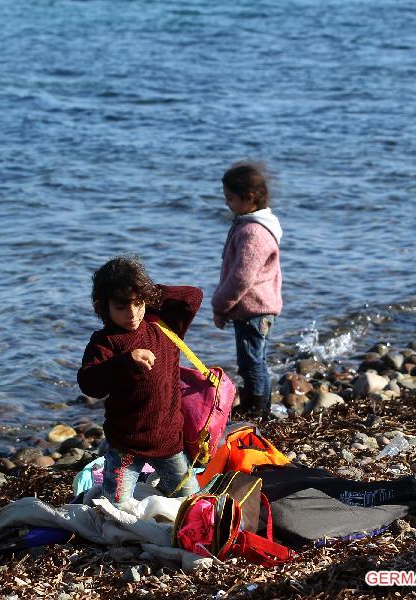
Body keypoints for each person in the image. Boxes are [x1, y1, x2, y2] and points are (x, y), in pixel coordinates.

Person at [77, 256, 202, 506]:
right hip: (126, 445)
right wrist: (125, 361)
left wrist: (142, 288)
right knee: (116, 509)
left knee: (193, 502)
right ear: (105, 307)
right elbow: (89, 383)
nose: (132, 313)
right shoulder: (106, 341)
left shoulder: (163, 326)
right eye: (121, 307)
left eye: (138, 303)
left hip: (168, 441)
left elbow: (192, 295)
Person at [211, 161, 283, 418]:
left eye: (230, 198)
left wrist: (220, 304)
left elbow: (241, 277)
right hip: (251, 307)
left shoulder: (254, 232)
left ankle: (258, 408)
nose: (227, 203)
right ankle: (257, 403)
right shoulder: (250, 224)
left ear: (250, 197)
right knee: (252, 360)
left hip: (256, 309)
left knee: (252, 362)